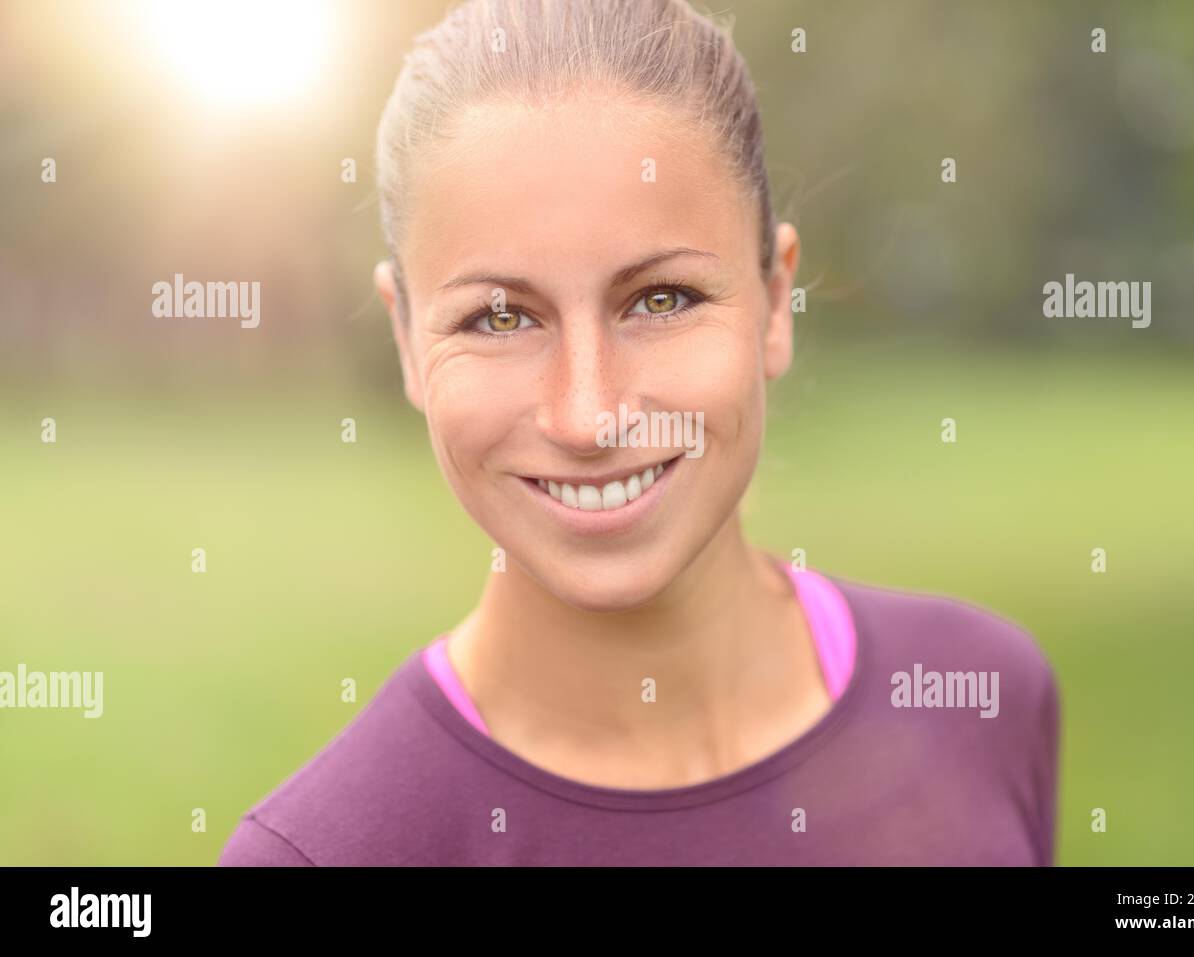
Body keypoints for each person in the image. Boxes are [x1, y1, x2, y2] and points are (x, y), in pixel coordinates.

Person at [219, 0, 1059, 866]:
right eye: (500, 317)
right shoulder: (323, 854)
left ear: (776, 301)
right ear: (406, 340)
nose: (588, 416)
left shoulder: (983, 693)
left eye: (662, 300)